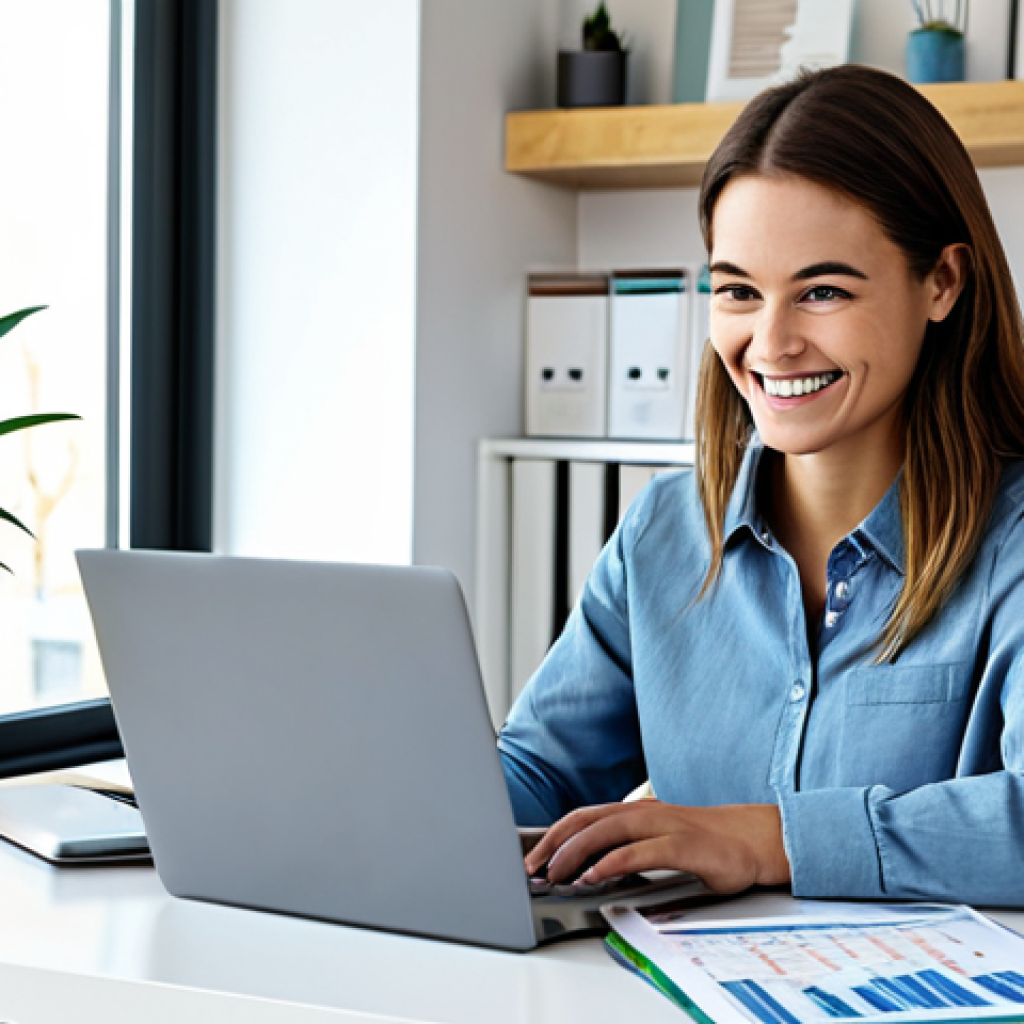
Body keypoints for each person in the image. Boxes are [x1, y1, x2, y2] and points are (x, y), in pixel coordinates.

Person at [498, 63, 1024, 905]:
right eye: (738, 290)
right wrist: (392, 809)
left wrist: (768, 839)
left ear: (943, 283)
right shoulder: (664, 532)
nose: (770, 344)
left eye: (821, 291)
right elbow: (538, 767)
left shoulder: (1013, 544)